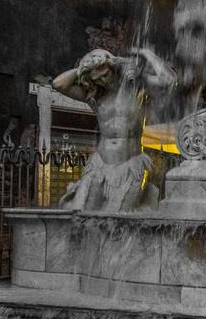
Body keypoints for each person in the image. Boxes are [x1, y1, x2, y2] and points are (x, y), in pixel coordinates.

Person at [52, 46, 176, 212]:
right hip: (100, 165)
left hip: (131, 166)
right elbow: (58, 84)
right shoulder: (94, 96)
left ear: (112, 68)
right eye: (97, 78)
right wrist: (85, 68)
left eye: (105, 74)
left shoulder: (135, 86)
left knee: (120, 214)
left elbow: (169, 81)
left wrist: (147, 54)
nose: (104, 80)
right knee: (81, 212)